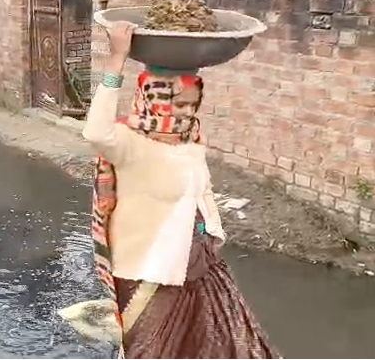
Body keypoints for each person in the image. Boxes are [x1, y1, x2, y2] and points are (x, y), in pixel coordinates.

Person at [59, 21, 278, 358]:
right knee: (150, 349)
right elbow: (95, 133)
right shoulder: (129, 142)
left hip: (195, 263)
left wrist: (211, 234)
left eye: (191, 104)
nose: (184, 112)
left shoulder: (192, 139)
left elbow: (200, 191)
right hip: (147, 271)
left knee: (216, 338)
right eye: (176, 103)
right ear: (149, 97)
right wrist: (117, 60)